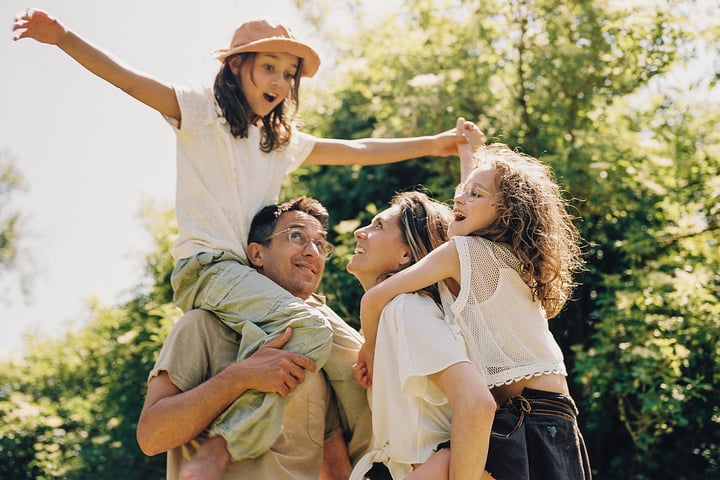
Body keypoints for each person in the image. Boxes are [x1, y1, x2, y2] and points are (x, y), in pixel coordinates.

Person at [12, 8, 470, 465]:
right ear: (236, 66)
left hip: (256, 281)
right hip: (209, 268)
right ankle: (223, 444)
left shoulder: (278, 142)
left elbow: (356, 151)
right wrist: (63, 37)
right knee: (307, 327)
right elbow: (129, 80)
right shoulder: (198, 113)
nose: (280, 82)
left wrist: (436, 142)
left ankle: (388, 466)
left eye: (289, 74)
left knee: (360, 361)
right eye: (268, 67)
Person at [357, 119, 591, 479]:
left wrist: (370, 349)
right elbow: (476, 199)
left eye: (473, 195)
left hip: (529, 415)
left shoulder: (463, 252)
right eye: (462, 192)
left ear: (506, 213)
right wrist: (468, 152)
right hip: (551, 413)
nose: (458, 198)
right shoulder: (501, 254)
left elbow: (376, 298)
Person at [137, 196, 371, 480]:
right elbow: (151, 437)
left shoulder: (321, 351)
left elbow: (335, 468)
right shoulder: (202, 327)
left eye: (320, 244)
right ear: (257, 254)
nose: (312, 252)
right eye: (296, 236)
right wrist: (238, 377)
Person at [346, 190, 496, 480]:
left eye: (378, 226)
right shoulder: (393, 317)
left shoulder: (409, 309)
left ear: (406, 255)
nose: (359, 233)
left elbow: (476, 404)